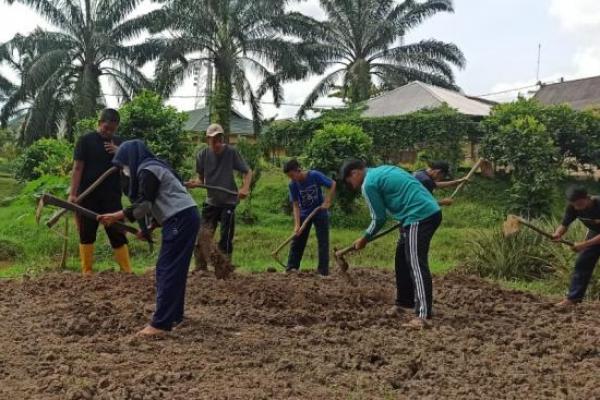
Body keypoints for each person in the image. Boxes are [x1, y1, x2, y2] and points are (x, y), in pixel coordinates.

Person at [98, 140, 200, 336]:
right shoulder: (153, 167)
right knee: (172, 269)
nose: (124, 171)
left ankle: (161, 324)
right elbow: (161, 202)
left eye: (124, 165)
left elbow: (144, 205)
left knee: (167, 268)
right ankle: (173, 316)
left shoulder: (148, 170)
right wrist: (150, 228)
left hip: (180, 219)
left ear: (130, 159)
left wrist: (116, 216)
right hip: (182, 218)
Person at [340, 160, 442, 329]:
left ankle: (423, 315)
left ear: (354, 173)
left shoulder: (369, 183)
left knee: (416, 263)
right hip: (415, 215)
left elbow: (378, 218)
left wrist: (364, 238)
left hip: (419, 216)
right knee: (401, 260)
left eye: (349, 181)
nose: (352, 186)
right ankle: (404, 303)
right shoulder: (382, 170)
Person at [69, 108, 131, 276]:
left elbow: (131, 166)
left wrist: (119, 152)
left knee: (117, 232)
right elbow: (77, 168)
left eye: (112, 130)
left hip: (111, 197)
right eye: (106, 128)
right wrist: (73, 194)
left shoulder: (120, 143)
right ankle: (87, 271)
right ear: (99, 123)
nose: (108, 132)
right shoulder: (86, 141)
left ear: (117, 127)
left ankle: (126, 271)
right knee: (86, 233)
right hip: (88, 196)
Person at [186, 124, 253, 270]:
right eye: (213, 139)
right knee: (202, 234)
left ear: (222, 138)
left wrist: (244, 188)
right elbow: (201, 180)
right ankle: (200, 268)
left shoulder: (231, 152)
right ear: (207, 139)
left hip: (228, 201)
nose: (216, 142)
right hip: (212, 201)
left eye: (219, 138)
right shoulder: (202, 155)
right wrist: (194, 184)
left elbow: (247, 172)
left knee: (226, 236)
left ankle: (224, 268)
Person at [283, 159, 336, 276]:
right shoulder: (293, 185)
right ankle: (291, 267)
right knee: (297, 240)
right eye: (289, 177)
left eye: (292, 175)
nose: (291, 178)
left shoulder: (314, 176)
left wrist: (328, 201)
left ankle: (323, 271)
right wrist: (297, 225)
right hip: (304, 214)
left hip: (320, 212)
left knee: (323, 241)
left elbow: (332, 184)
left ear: (298, 170)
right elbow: (296, 205)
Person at [552, 186, 600, 307]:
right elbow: (565, 224)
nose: (577, 207)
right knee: (583, 262)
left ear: (588, 198)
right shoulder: (573, 207)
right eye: (574, 204)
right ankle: (573, 299)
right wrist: (557, 234)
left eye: (579, 203)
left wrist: (584, 244)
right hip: (595, 233)